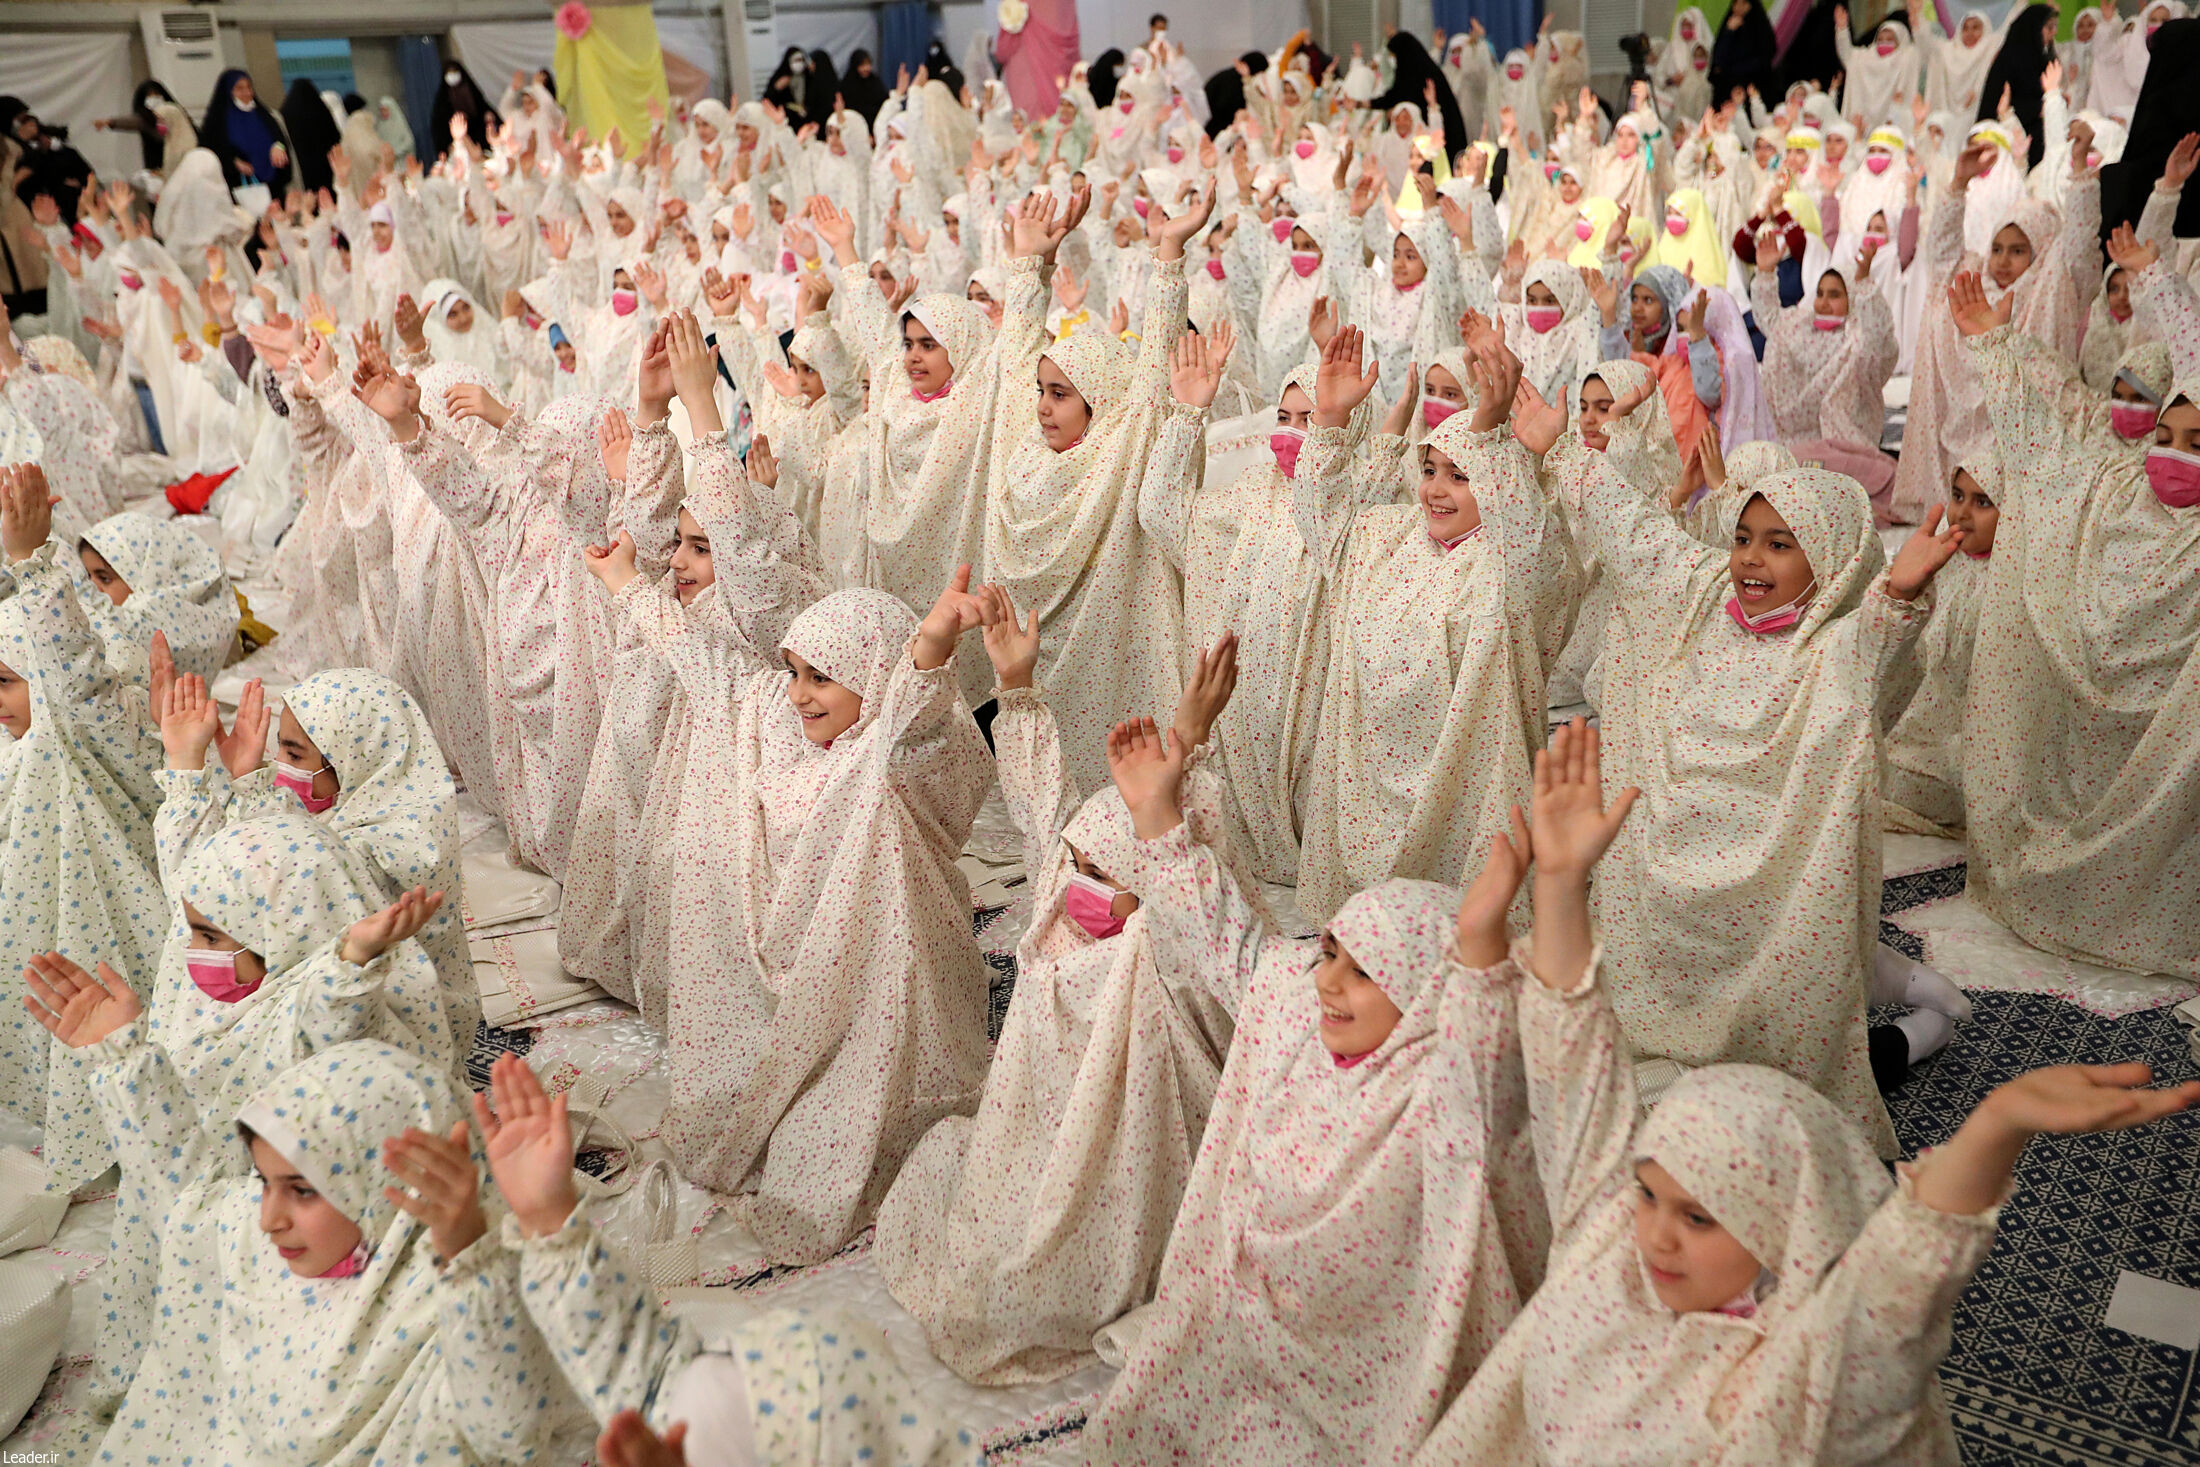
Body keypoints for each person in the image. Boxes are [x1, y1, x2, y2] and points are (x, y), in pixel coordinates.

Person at [1408, 718, 2200, 1465]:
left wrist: (1994, 1127)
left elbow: (1891, 1299)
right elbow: (1571, 1062)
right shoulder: (1605, 1241)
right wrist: (1558, 883)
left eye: (1699, 1216)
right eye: (1648, 1194)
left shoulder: (1803, 1377)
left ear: (1788, 1231)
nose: (1656, 1236)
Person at [1084, 716, 1552, 1463]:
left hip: (1370, 1369)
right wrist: (1156, 815)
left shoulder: (1444, 1090)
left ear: (1428, 995)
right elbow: (1224, 937)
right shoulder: (1295, 1008)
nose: (1330, 982)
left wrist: (1483, 947)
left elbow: (1487, 1060)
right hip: (1262, 1326)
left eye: (1365, 972)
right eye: (1330, 953)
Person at [1528, 369, 1968, 1155]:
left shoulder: (1834, 650)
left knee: (1784, 1081)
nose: (1751, 560)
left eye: (1780, 543)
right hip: (1672, 879)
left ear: (1829, 561)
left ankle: (1916, 1027)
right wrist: (1563, 451)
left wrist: (1899, 595)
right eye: (1742, 537)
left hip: (1776, 905)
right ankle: (1886, 976)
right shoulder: (1701, 599)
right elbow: (1637, 534)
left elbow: (1880, 644)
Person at [875, 609, 1243, 1385]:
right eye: (1077, 863)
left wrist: (1190, 743)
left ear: (1157, 886)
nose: (1080, 884)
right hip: (1026, 1136)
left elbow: (1194, 891)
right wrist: (1015, 683)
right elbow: (1044, 800)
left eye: (1105, 875)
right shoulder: (1058, 898)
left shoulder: (1166, 957)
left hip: (1116, 1169)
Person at [1945, 243, 2200, 980]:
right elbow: (2044, 449)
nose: (2172, 455)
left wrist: (2158, 278)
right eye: (2165, 436)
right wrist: (1995, 348)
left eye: (2197, 444)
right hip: (2085, 753)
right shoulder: (2115, 493)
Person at [1294, 331, 1576, 925]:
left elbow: (1534, 552)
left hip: (1459, 801)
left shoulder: (1508, 565)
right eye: (1429, 470)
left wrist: (1492, 438)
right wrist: (1330, 421)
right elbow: (1323, 525)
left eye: (1460, 475)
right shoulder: (1388, 537)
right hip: (1364, 790)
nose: (1437, 490)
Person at [0, 464, 165, 1191]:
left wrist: (32, 564)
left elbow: (77, 683)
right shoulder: (21, 753)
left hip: (108, 978)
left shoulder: (87, 740)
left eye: (6, 680)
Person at [199, 69, 293, 192]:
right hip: (238, 184)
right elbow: (210, 150)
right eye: (239, 88)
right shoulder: (218, 122)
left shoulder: (262, 114)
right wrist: (234, 163)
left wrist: (278, 147)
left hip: (274, 183)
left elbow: (280, 138)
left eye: (249, 87)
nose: (247, 92)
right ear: (228, 91)